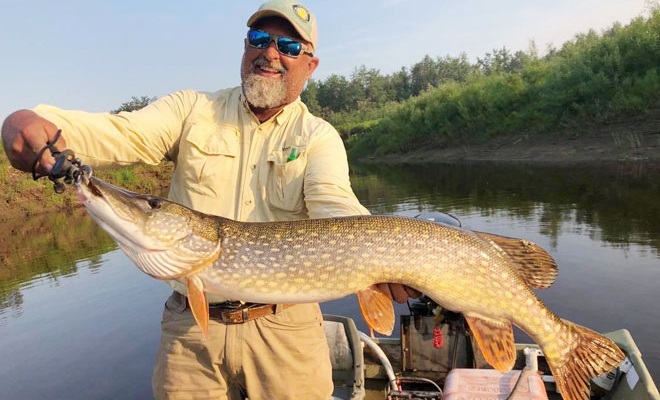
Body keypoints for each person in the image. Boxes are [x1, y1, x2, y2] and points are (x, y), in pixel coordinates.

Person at [2, 1, 418, 399]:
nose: (270, 53)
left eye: (289, 46)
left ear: (309, 65)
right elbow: (124, 132)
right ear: (244, 47)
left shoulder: (317, 136)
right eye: (259, 38)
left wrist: (384, 259)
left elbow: (336, 207)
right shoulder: (192, 109)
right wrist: (45, 124)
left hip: (286, 329)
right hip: (189, 329)